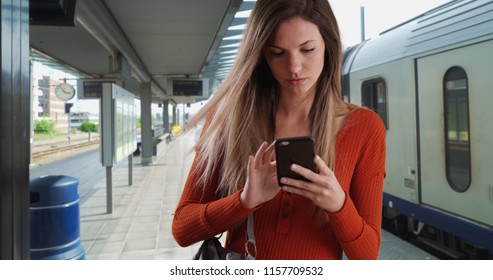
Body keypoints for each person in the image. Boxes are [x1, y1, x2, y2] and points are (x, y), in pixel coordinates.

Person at [172, 0, 386, 260]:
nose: (294, 67)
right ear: (261, 54)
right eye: (277, 53)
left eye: (307, 49)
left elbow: (367, 256)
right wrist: (244, 201)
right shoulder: (229, 120)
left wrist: (339, 205)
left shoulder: (365, 127)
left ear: (328, 47)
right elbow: (182, 229)